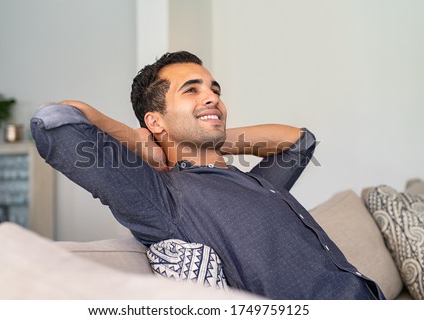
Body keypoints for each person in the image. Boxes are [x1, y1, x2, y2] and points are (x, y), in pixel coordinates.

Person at [31, 51, 385, 300]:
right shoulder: (164, 198)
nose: (212, 97)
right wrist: (138, 141)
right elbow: (54, 122)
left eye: (215, 90)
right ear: (155, 120)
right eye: (192, 90)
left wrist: (206, 139)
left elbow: (299, 141)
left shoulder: (257, 183)